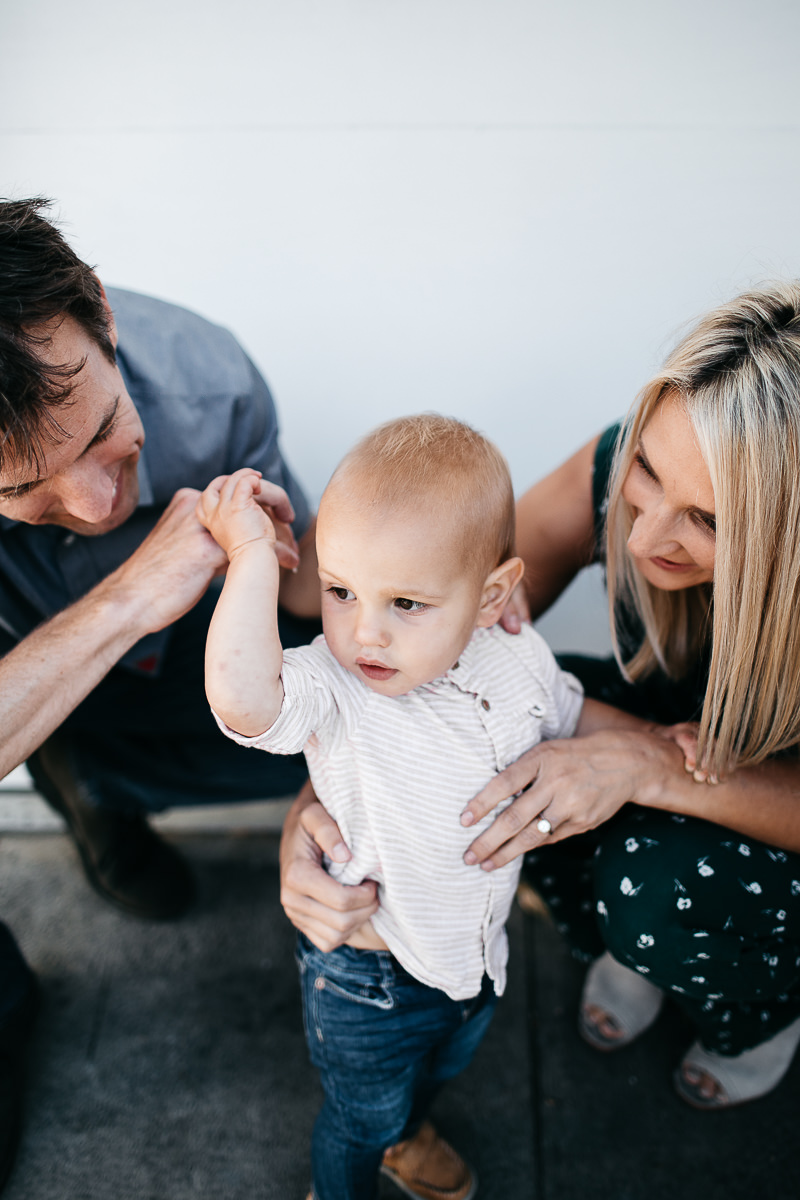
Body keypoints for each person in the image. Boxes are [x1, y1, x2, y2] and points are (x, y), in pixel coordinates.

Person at [279, 283, 800, 1112]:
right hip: (668, 732)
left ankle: (759, 1014)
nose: (641, 535)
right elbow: (437, 627)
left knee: (663, 890)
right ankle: (630, 950)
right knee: (513, 735)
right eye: (645, 472)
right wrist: (327, 803)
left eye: (706, 518)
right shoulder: (622, 466)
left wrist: (652, 765)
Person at [198, 414, 646, 1200]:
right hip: (367, 973)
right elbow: (242, 700)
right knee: (356, 1118)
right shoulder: (334, 685)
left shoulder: (517, 655)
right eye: (341, 591)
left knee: (443, 1068)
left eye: (406, 603)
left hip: (473, 960)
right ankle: (351, 1173)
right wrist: (249, 561)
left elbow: (572, 715)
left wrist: (666, 743)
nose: (364, 630)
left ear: (492, 597)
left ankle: (408, 1133)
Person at [0, 196, 321, 1190]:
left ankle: (107, 767)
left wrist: (291, 560)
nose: (99, 506)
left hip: (193, 644)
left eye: (101, 430)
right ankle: (90, 789)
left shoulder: (209, 379)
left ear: (98, 312)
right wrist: (128, 596)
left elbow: (314, 598)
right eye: (22, 492)